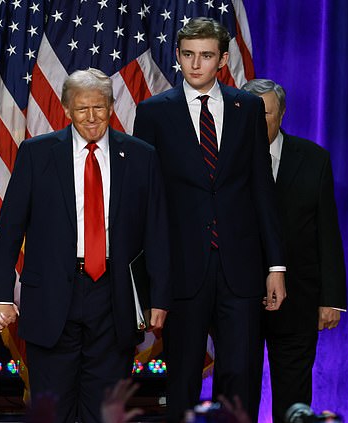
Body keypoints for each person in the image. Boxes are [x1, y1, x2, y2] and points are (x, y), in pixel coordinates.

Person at [0, 68, 171, 423]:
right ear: (66, 108)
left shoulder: (140, 156)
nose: (91, 117)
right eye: (82, 109)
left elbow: (156, 232)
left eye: (99, 108)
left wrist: (158, 298)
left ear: (112, 107)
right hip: (52, 296)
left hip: (113, 299)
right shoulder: (37, 154)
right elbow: (9, 229)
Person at [133, 17, 286, 422]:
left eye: (205, 56)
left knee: (240, 375)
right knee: (181, 377)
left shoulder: (247, 107)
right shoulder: (152, 113)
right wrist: (149, 278)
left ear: (222, 60)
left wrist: (275, 265)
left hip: (240, 267)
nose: (195, 64)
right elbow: (145, 201)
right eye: (188, 55)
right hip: (182, 269)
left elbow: (261, 191)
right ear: (178, 57)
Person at [242, 78, 347, 423]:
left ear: (282, 114)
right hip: (237, 300)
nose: (257, 123)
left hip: (298, 299)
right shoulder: (223, 162)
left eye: (266, 114)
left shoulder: (314, 159)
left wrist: (331, 298)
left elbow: (327, 232)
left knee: (293, 399)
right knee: (238, 398)